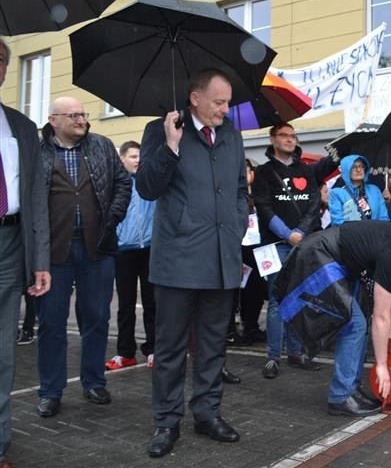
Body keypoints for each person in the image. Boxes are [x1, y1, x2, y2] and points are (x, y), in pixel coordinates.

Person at [136, 68, 249, 458]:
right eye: (219, 102)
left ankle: (207, 412)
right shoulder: (162, 129)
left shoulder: (232, 135)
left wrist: (235, 226)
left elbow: (238, 189)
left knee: (214, 345)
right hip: (178, 259)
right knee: (170, 348)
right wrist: (170, 146)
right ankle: (167, 422)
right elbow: (147, 187)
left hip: (222, 258)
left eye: (228, 102)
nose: (225, 109)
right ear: (195, 98)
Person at [275, 221, 391, 416]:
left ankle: (352, 389)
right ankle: (341, 397)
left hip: (337, 259)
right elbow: (381, 316)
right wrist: (382, 365)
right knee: (355, 324)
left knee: (361, 323)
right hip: (318, 254)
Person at [34, 96, 131, 419]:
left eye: (83, 114)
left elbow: (122, 183)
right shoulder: (37, 153)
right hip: (53, 254)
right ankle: (50, 390)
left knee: (97, 318)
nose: (80, 119)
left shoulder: (102, 146)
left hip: (97, 249)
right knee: (51, 324)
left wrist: (112, 217)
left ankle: (93, 381)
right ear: (53, 121)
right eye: (73, 115)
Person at [0, 37, 51, 468]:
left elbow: (36, 197)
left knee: (2, 352)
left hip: (10, 243)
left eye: (0, 59)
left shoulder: (20, 127)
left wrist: (40, 261)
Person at [253, 122, 322, 379]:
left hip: (301, 244)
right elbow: (263, 207)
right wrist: (287, 234)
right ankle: (273, 356)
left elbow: (314, 203)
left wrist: (300, 234)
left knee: (299, 298)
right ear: (273, 139)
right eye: (284, 135)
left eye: (293, 135)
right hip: (274, 246)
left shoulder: (305, 170)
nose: (290, 139)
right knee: (276, 300)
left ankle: (295, 353)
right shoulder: (264, 172)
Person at [105, 141, 156, 371]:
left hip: (150, 249)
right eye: (133, 156)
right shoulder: (115, 185)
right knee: (125, 304)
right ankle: (125, 352)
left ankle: (154, 349)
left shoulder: (149, 183)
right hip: (123, 251)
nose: (138, 160)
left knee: (152, 302)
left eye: (140, 156)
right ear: (122, 159)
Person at [226, 159, 267, 349]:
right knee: (234, 292)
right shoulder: (229, 195)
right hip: (236, 247)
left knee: (256, 289)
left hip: (258, 248)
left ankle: (251, 326)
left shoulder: (260, 194)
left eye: (248, 170)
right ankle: (230, 332)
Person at [329, 154, 389, 225]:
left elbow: (384, 218)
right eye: (354, 167)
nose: (359, 170)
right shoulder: (336, 193)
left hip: (375, 234)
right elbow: (337, 222)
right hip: (351, 234)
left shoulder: (374, 189)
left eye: (361, 166)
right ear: (346, 170)